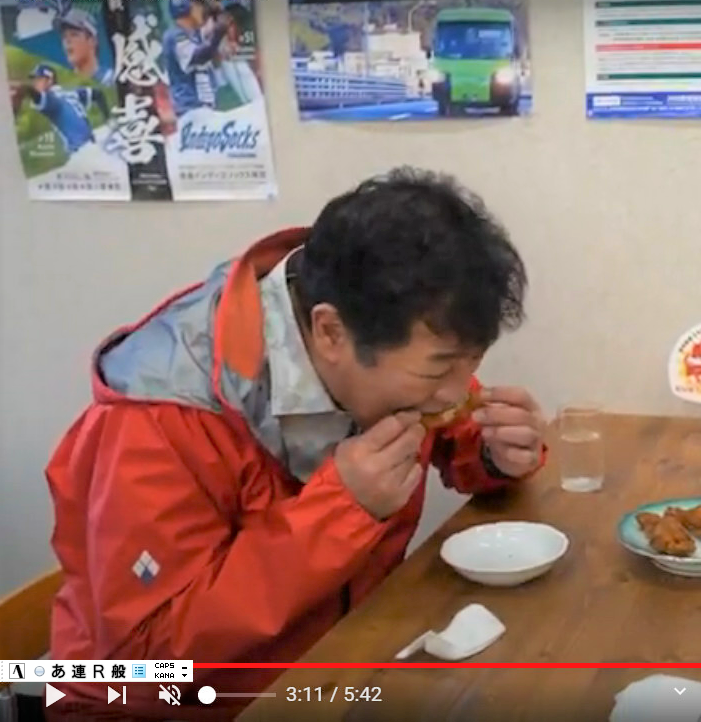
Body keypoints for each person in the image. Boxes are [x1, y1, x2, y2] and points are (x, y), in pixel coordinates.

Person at [45, 167, 547, 721]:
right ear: (329, 332)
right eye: (440, 368)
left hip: (335, 672)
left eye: (472, 363)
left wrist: (494, 453)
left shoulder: (379, 338)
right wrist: (341, 511)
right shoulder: (157, 424)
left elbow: (454, 434)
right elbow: (142, 659)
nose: (458, 390)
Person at [10, 64, 108, 155]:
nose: (35, 83)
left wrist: (23, 89)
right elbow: (98, 94)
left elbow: (34, 93)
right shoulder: (72, 93)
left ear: (50, 80)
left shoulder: (52, 100)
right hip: (94, 147)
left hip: (82, 152)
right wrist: (107, 119)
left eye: (39, 79)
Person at [161, 0, 230, 117]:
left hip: (207, 109)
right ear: (185, 7)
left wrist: (218, 13)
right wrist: (218, 34)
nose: (202, 10)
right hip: (190, 111)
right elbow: (199, 57)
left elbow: (213, 26)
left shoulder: (194, 34)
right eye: (198, 6)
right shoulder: (174, 36)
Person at [56, 8, 114, 86]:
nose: (67, 41)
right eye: (64, 36)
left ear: (92, 41)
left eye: (74, 34)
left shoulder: (111, 81)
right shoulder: (62, 85)